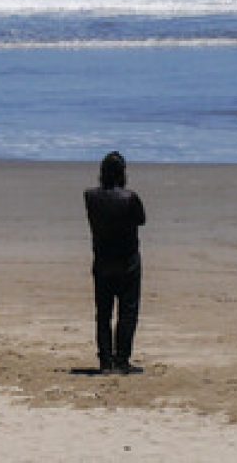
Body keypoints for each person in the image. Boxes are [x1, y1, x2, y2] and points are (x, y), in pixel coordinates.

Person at [84, 151, 146, 375]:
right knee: (128, 313)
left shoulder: (90, 197)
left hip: (102, 262)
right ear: (123, 173)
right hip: (127, 261)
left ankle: (105, 361)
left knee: (103, 313)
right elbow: (141, 220)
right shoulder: (130, 198)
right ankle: (122, 360)